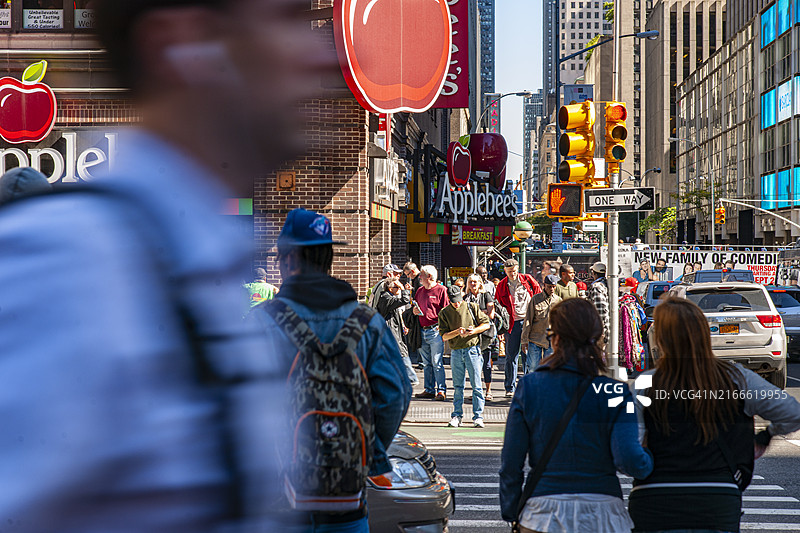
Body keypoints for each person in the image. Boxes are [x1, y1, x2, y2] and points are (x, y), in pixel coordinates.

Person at [0, 0, 326, 528]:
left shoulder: (197, 264)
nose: (321, 54)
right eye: (287, 18)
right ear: (183, 45)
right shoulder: (69, 268)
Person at [250, 208, 411, 532]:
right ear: (329, 259)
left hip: (279, 504)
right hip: (347, 505)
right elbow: (397, 393)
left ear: (288, 260)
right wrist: (362, 447)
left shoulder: (262, 322)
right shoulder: (367, 321)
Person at [629, 297, 800, 533]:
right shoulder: (737, 378)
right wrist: (766, 435)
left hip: (656, 497)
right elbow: (792, 413)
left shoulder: (645, 384)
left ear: (661, 338)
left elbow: (632, 447)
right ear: (703, 333)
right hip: (718, 496)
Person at [500, 298, 654, 532]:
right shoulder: (615, 391)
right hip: (602, 511)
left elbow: (511, 463)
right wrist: (650, 454)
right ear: (597, 339)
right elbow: (630, 460)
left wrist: (512, 512)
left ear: (556, 339)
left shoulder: (530, 387)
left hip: (543, 512)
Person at [439, 284, 491, 428]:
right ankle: (457, 415)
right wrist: (457, 332)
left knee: (477, 385)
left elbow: (486, 324)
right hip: (456, 351)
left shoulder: (472, 306)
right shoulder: (444, 312)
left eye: (459, 299)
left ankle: (478, 416)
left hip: (472, 349)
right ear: (449, 299)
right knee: (458, 386)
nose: (457, 303)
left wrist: (472, 331)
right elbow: (443, 336)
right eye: (454, 300)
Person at [496, 258, 541, 397]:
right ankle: (510, 387)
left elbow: (538, 295)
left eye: (514, 271)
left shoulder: (528, 280)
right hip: (512, 324)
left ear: (518, 269)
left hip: (528, 322)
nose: (512, 274)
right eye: (509, 272)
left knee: (528, 355)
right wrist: (501, 328)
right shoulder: (502, 285)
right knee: (511, 356)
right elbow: (498, 304)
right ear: (505, 271)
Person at [413, 265, 450, 401]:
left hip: (436, 330)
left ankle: (441, 390)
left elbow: (447, 310)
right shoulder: (419, 291)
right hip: (422, 330)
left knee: (436, 361)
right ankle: (429, 389)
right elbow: (414, 306)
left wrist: (444, 328)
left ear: (429, 277)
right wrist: (414, 311)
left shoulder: (442, 290)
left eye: (421, 275)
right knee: (427, 362)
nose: (419, 278)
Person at [377, 277, 418, 386]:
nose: (399, 289)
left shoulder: (389, 297)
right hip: (391, 331)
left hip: (393, 329)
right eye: (397, 287)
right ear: (390, 289)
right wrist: (403, 288)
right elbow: (404, 300)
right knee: (401, 352)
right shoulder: (386, 298)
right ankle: (411, 377)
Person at [520, 274, 562, 373]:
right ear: (544, 286)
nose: (551, 289)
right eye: (549, 287)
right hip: (535, 339)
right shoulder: (535, 299)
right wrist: (524, 340)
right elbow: (528, 320)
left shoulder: (558, 300)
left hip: (551, 340)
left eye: (553, 287)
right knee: (533, 368)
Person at [465, 273, 497, 400]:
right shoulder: (466, 297)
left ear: (480, 283)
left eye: (475, 281)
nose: (473, 284)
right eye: (470, 282)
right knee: (474, 365)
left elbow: (491, 315)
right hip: (472, 334)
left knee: (487, 364)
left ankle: (488, 391)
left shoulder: (486, 295)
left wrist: (476, 312)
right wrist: (481, 311)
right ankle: (476, 391)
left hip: (486, 334)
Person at [588, 262, 610, 343]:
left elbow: (600, 309)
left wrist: (600, 330)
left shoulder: (597, 287)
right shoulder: (607, 284)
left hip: (600, 331)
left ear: (593, 273)